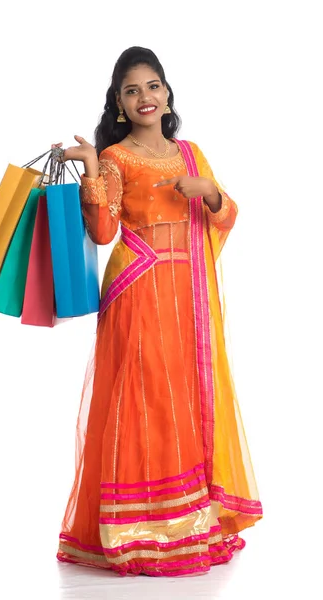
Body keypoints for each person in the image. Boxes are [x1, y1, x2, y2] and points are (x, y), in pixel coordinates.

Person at [54, 46, 262, 577]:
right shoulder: (119, 157)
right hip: (137, 291)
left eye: (152, 86)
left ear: (167, 93)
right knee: (142, 398)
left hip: (188, 298)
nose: (144, 97)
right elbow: (103, 233)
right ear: (119, 106)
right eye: (131, 90)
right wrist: (96, 165)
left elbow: (226, 217)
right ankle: (132, 529)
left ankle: (187, 520)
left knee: (184, 397)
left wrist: (210, 192)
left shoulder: (191, 154)